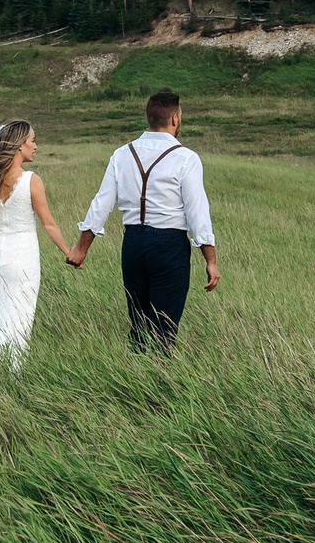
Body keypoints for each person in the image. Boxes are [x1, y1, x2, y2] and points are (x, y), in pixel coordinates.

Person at [67, 87, 218, 350]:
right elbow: (198, 212)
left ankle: (137, 370)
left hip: (133, 244)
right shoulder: (186, 158)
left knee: (138, 322)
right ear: (175, 119)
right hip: (169, 246)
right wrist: (210, 260)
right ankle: (156, 381)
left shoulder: (122, 154)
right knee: (164, 326)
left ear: (149, 117)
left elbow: (102, 203)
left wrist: (81, 249)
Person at [0, 119, 73, 369]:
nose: (36, 146)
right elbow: (48, 224)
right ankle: (12, 374)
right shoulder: (31, 180)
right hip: (23, 259)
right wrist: (69, 252)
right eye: (32, 140)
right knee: (19, 319)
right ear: (19, 146)